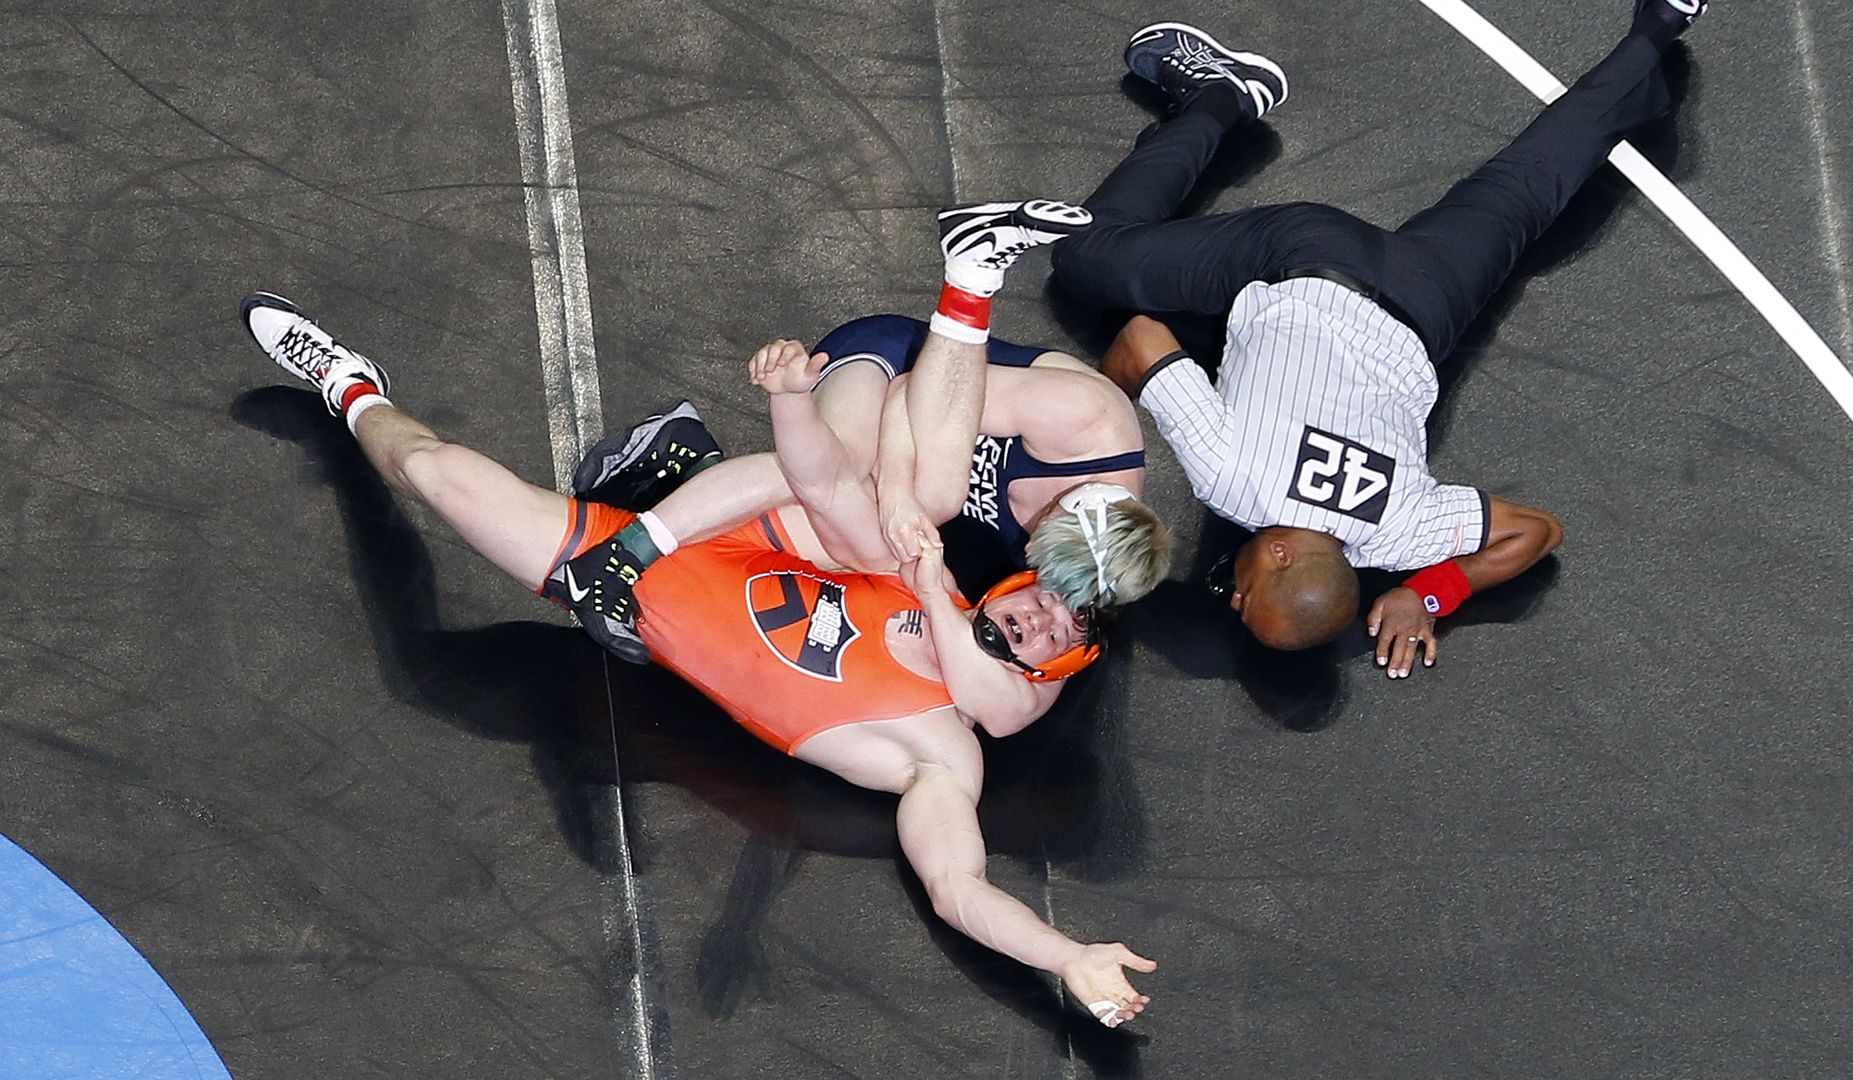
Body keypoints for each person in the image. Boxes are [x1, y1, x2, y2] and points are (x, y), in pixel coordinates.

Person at [239, 291, 1158, 1027]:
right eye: (1043, 601)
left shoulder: (940, 755)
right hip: (696, 536)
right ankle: (656, 480)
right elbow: (818, 476)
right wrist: (793, 399)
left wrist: (1067, 955)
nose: (1039, 619)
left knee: (433, 483)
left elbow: (958, 890)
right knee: (867, 500)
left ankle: (356, 392)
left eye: (1055, 634)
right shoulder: (911, 557)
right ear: (1014, 582)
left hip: (629, 589)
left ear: (1054, 672)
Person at [1051, 3, 1707, 676]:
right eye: (1245, 599)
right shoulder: (1230, 477)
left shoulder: (1402, 531)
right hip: (1302, 254)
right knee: (1082, 256)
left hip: (1429, 296)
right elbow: (1140, 338)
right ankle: (1221, 97)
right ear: (1279, 554)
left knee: (1533, 181)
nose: (1232, 594)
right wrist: (1096, 440)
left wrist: (1430, 589)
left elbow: (1536, 531)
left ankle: (1660, 28)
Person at [581, 200, 1173, 614]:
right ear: (1085, 505)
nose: (1033, 531)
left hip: (917, 449)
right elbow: (908, 392)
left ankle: (692, 461)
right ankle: (625, 553)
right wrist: (896, 498)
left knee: (857, 544)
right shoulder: (1086, 421)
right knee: (854, 476)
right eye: (1047, 528)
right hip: (894, 362)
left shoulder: (1084, 565)